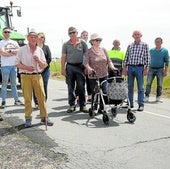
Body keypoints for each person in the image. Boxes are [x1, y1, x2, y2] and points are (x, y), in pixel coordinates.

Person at [15, 28, 53, 127]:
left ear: (37, 39)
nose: (33, 39)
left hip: (37, 76)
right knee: (27, 98)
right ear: (27, 38)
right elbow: (16, 64)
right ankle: (28, 118)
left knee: (41, 97)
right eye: (31, 37)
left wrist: (39, 60)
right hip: (25, 76)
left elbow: (44, 65)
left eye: (35, 37)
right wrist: (26, 67)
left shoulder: (40, 50)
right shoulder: (22, 50)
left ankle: (44, 117)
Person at [84, 33, 117, 108]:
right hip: (93, 75)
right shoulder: (88, 51)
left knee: (104, 91)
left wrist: (113, 67)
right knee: (95, 92)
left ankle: (102, 108)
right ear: (92, 41)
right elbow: (85, 62)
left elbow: (109, 60)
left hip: (104, 74)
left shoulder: (104, 50)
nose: (99, 41)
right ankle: (94, 106)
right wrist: (89, 68)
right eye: (97, 40)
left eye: (100, 40)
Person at [61, 26, 88, 113]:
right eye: (70, 33)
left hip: (80, 66)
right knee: (70, 87)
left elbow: (86, 56)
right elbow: (63, 57)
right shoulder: (65, 44)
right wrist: (63, 68)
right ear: (68, 34)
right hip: (70, 67)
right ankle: (72, 105)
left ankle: (83, 105)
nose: (72, 34)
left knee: (81, 86)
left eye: (74, 32)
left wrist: (86, 67)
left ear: (77, 33)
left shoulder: (83, 43)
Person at [122, 30, 150, 111]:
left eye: (138, 34)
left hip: (139, 68)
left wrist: (146, 68)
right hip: (130, 67)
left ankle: (141, 104)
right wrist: (124, 68)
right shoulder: (130, 45)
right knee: (129, 87)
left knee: (140, 87)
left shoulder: (145, 45)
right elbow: (126, 57)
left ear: (141, 35)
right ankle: (130, 104)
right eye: (135, 34)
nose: (136, 36)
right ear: (133, 36)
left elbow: (147, 57)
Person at [0, 27, 23, 109]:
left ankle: (16, 100)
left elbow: (19, 51)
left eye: (8, 32)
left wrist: (8, 52)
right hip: (5, 66)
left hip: (13, 66)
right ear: (3, 33)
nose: (7, 33)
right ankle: (3, 101)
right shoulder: (1, 42)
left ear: (10, 33)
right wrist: (13, 52)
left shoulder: (14, 42)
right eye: (5, 32)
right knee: (4, 84)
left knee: (14, 84)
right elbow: (2, 53)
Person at [144, 37, 169, 102]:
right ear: (155, 42)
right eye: (156, 42)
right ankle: (146, 96)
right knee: (148, 83)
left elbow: (167, 61)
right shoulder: (151, 50)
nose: (157, 43)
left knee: (159, 84)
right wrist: (146, 68)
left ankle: (158, 97)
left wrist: (166, 70)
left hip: (160, 69)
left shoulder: (165, 51)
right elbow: (147, 59)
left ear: (161, 42)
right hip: (151, 69)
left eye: (159, 42)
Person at [33, 32, 52, 109]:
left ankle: (43, 101)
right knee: (36, 87)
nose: (41, 39)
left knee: (44, 86)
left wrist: (43, 67)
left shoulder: (46, 47)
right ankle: (37, 103)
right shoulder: (33, 47)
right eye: (40, 37)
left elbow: (49, 58)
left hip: (45, 70)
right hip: (36, 70)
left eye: (43, 37)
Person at [80, 30, 92, 102]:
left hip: (88, 64)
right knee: (80, 81)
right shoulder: (79, 44)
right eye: (84, 35)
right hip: (80, 64)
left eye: (86, 35)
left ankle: (89, 97)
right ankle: (79, 97)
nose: (85, 36)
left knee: (89, 81)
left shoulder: (90, 44)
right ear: (81, 36)